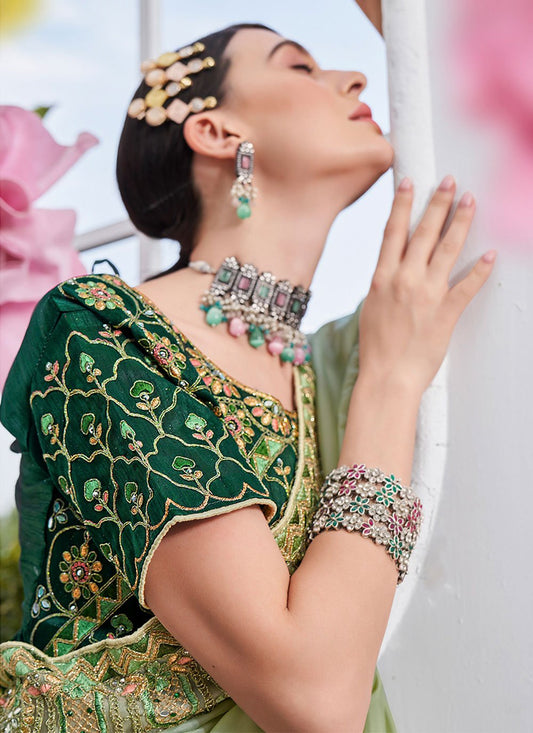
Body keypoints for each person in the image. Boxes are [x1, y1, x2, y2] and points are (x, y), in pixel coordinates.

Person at [0, 21, 496, 733]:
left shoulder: (341, 357)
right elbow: (314, 700)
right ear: (214, 130)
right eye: (299, 66)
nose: (355, 79)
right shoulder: (103, 332)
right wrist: (389, 383)